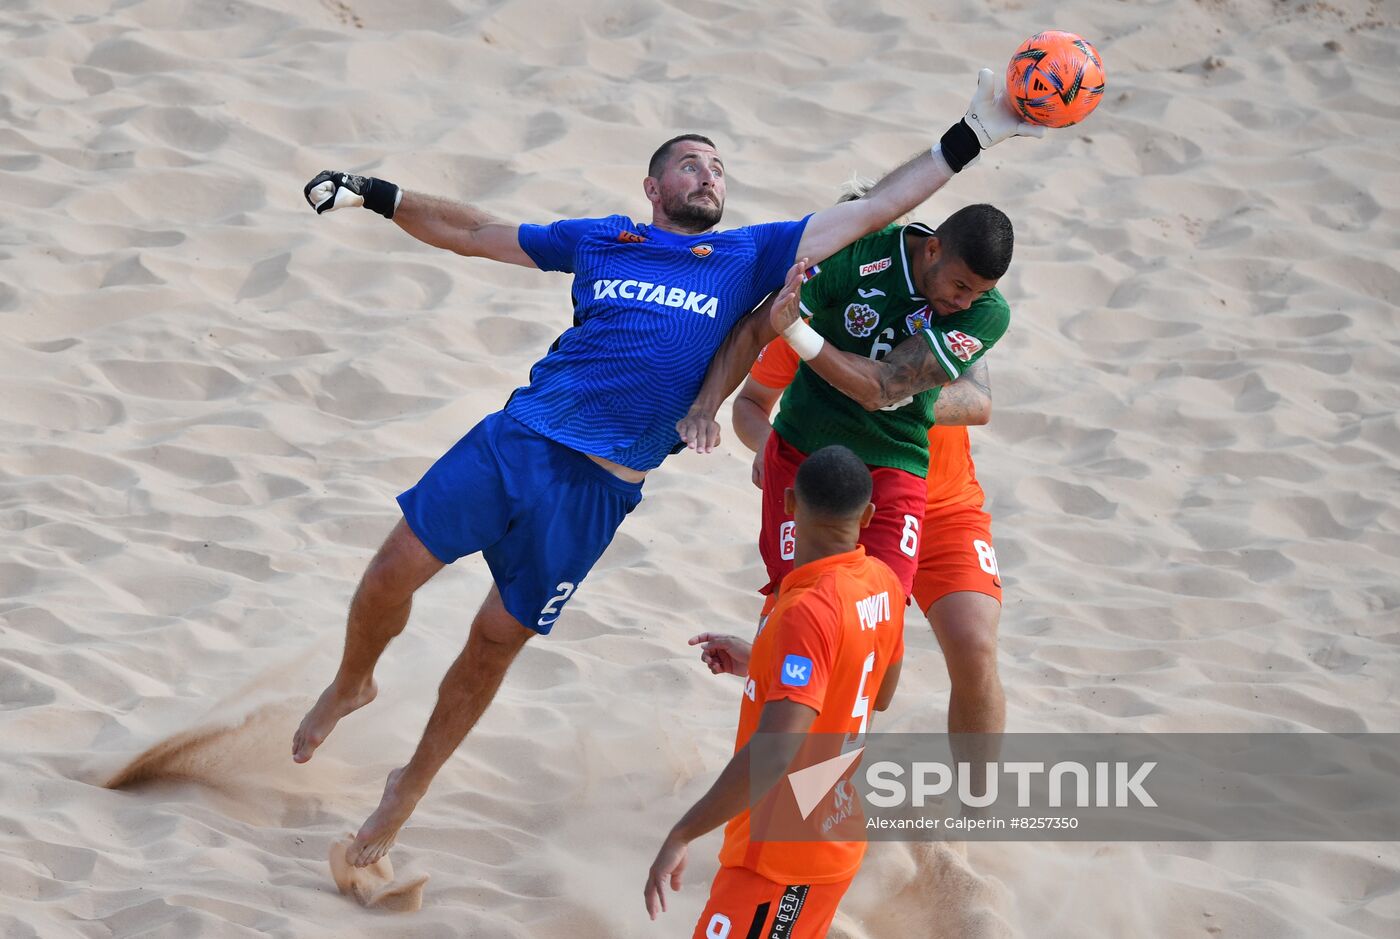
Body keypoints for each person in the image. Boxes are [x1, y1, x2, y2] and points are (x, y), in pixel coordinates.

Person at [292, 69, 1043, 869]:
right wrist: (377, 193)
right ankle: (353, 680)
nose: (708, 174)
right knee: (389, 572)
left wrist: (976, 133)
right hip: (517, 438)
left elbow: (877, 209)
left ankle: (408, 788)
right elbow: (477, 231)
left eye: (719, 167)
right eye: (691, 162)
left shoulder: (745, 254)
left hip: (597, 490)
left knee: (490, 645)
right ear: (653, 185)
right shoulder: (605, 239)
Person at [677, 194, 1013, 741]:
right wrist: (767, 445)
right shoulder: (817, 322)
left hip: (946, 504)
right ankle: (812, 767)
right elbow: (752, 405)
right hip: (844, 504)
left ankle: (974, 811)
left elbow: (978, 402)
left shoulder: (955, 306)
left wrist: (897, 391)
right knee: (843, 637)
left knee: (973, 648)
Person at [644, 446, 905, 937]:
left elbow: (775, 752)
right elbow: (879, 690)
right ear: (867, 515)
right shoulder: (883, 583)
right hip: (834, 830)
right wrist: (764, 662)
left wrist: (682, 834)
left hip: (780, 858)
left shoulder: (809, 608)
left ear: (788, 503)